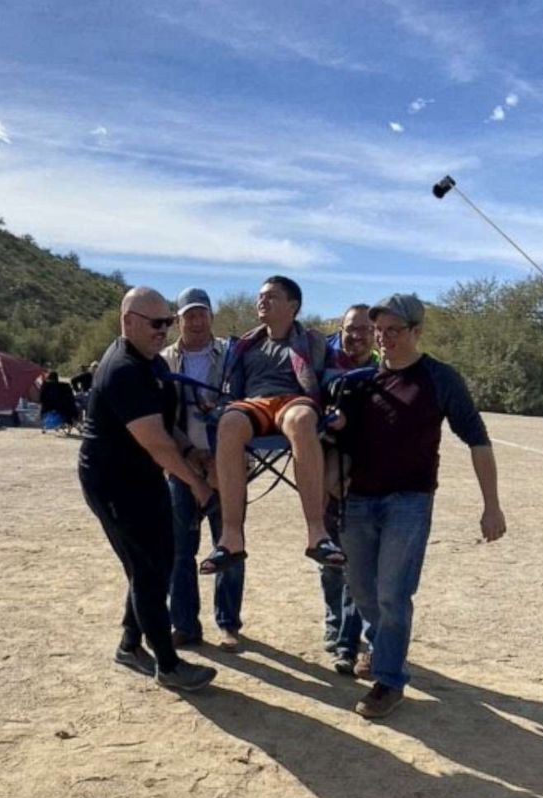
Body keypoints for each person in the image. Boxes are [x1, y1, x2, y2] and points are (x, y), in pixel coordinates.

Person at [335, 293, 507, 718]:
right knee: (362, 591)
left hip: (409, 502)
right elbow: (340, 443)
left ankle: (388, 681)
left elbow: (478, 439)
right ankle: (382, 651)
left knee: (394, 592)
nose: (384, 338)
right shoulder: (359, 382)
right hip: (358, 501)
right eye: (380, 331)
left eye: (394, 330)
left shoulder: (440, 379)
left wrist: (492, 506)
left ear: (416, 332)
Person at [78, 286, 217, 692]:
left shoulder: (151, 363)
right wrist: (197, 484)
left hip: (145, 478)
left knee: (160, 561)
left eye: (167, 322)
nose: (164, 330)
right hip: (114, 484)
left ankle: (128, 643)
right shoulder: (123, 369)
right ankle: (169, 665)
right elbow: (154, 440)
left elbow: (166, 425)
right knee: (147, 570)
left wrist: (190, 450)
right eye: (156, 323)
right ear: (129, 322)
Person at [199, 275, 345, 575]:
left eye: (272, 296)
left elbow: (334, 375)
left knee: (302, 419)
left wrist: (335, 401)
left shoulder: (313, 340)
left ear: (293, 306)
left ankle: (317, 533)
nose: (262, 300)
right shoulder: (245, 344)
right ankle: (231, 537)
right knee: (229, 422)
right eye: (261, 296)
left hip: (294, 401)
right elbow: (229, 386)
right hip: (254, 404)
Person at [162, 288, 245, 651]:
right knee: (181, 550)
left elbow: (246, 403)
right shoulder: (163, 361)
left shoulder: (231, 356)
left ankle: (227, 623)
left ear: (211, 317)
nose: (195, 321)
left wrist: (220, 456)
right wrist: (191, 453)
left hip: (227, 466)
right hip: (182, 466)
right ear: (178, 320)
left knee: (229, 544)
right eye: (188, 315)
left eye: (201, 314)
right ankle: (184, 624)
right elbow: (161, 416)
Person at [322, 305, 377, 673]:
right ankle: (336, 626)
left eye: (363, 329)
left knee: (356, 566)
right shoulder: (323, 369)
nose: (355, 335)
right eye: (348, 329)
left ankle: (348, 643)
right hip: (327, 480)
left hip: (367, 480)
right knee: (331, 564)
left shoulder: (382, 372)